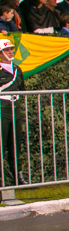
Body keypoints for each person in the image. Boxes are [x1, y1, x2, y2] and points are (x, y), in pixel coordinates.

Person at [0, 37, 27, 187]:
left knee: (15, 144)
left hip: (14, 109)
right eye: (6, 50)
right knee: (0, 145)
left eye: (11, 49)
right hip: (1, 109)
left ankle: (18, 178)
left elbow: (22, 90)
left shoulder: (17, 69)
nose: (10, 52)